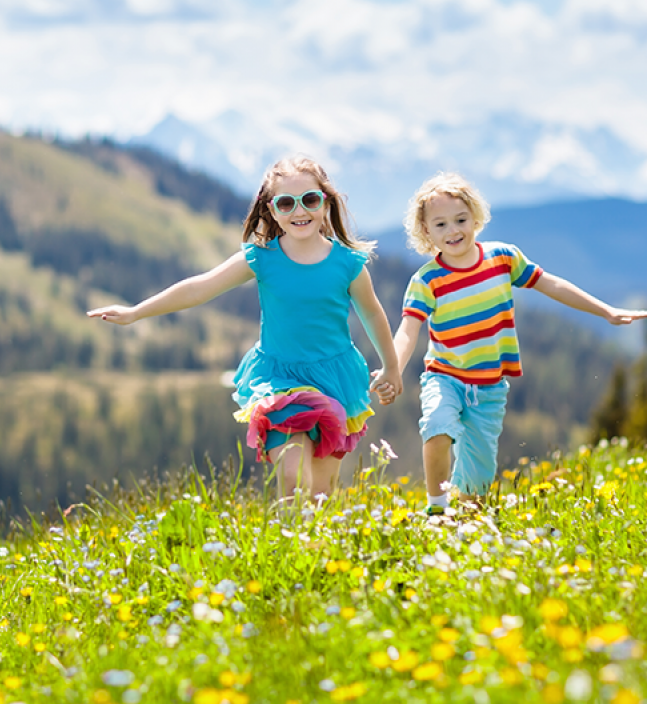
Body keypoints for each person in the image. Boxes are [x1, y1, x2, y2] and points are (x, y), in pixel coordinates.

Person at [88, 157, 403, 502]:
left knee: (320, 492)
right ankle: (290, 546)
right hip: (280, 378)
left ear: (325, 201)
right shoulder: (262, 258)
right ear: (271, 210)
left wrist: (391, 366)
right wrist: (135, 312)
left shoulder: (348, 263)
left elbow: (372, 314)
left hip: (336, 377)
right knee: (291, 474)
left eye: (309, 199)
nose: (299, 210)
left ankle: (315, 552)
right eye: (286, 202)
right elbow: (199, 288)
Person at [372, 171, 647, 514]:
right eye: (440, 225)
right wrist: (392, 368)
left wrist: (605, 310)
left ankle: (464, 517)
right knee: (437, 430)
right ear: (426, 232)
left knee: (476, 484)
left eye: (460, 219)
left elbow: (551, 284)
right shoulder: (427, 279)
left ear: (476, 217)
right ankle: (437, 510)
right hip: (444, 377)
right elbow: (409, 328)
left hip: (489, 387)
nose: (453, 230)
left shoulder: (502, 258)